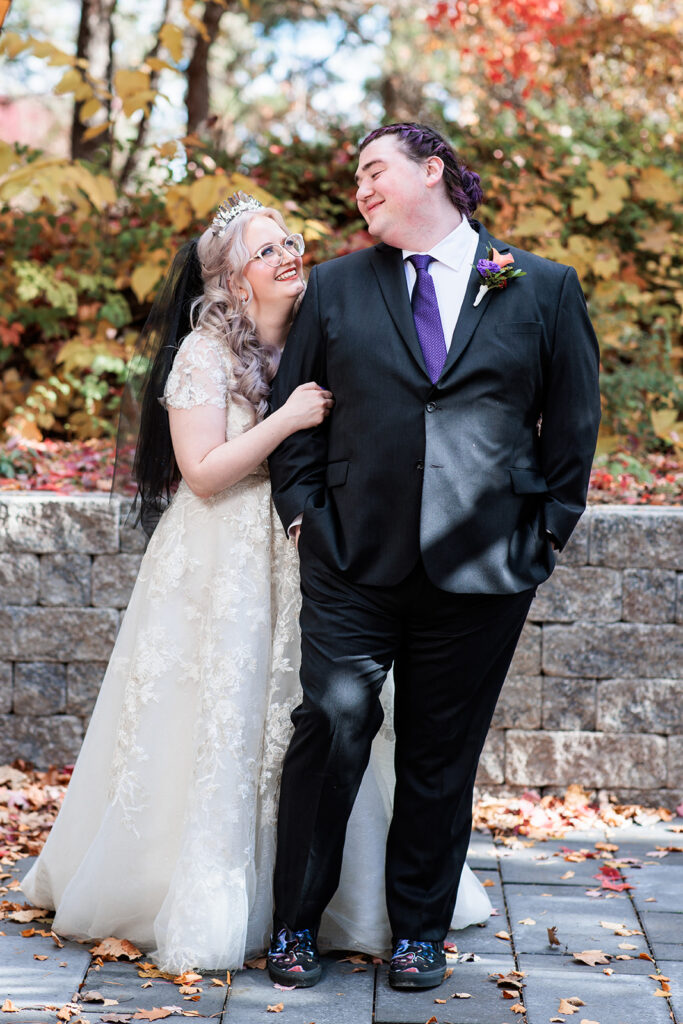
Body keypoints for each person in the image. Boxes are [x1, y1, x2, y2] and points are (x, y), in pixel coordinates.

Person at [21, 191, 490, 974]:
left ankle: (335, 897)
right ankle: (197, 888)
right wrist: (286, 418)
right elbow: (201, 474)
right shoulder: (203, 355)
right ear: (236, 282)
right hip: (220, 556)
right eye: (268, 250)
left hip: (308, 551)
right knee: (216, 718)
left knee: (316, 721)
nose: (289, 255)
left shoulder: (326, 329)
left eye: (291, 240)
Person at [267, 123, 601, 990]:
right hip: (350, 559)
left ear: (433, 171)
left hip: (483, 569)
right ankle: (295, 924)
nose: (361, 190)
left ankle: (418, 930)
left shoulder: (542, 288)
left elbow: (570, 429)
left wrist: (546, 535)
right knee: (331, 726)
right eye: (355, 181)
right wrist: (304, 516)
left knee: (439, 754)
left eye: (373, 171)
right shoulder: (336, 287)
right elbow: (295, 409)